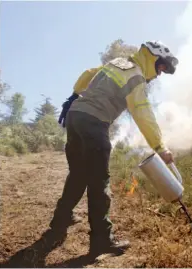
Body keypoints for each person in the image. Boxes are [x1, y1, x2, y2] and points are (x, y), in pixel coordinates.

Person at [46, 40, 178, 257]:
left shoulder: (118, 62)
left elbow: (88, 73)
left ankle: (60, 220)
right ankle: (101, 241)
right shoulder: (136, 77)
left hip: (75, 116)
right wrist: (160, 147)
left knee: (79, 174)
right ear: (152, 58)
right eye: (161, 67)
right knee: (99, 182)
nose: (159, 74)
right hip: (94, 121)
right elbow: (143, 114)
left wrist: (74, 94)